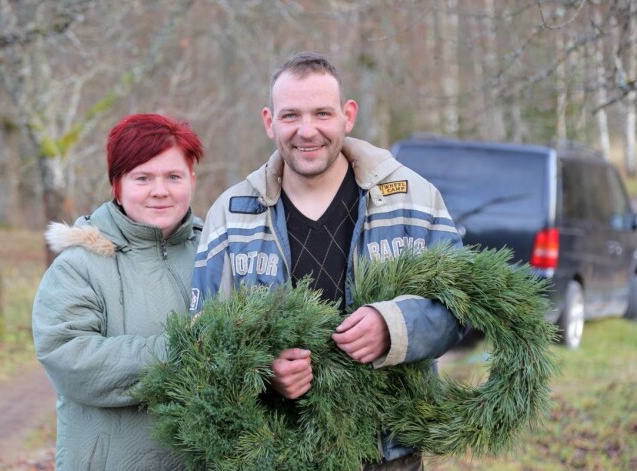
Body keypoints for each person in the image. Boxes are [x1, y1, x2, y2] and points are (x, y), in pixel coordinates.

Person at [191, 52, 466, 470]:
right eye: (290, 116)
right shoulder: (230, 215)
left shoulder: (413, 199)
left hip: (388, 451)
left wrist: (394, 330)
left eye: (322, 113)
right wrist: (264, 371)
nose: (307, 131)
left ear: (347, 115)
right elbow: (203, 337)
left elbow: (461, 302)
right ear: (269, 121)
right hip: (276, 452)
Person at [32, 113, 204, 470]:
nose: (160, 190)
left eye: (173, 176)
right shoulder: (79, 266)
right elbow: (70, 358)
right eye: (142, 178)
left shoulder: (216, 253)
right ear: (118, 185)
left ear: (191, 179)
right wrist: (185, 350)